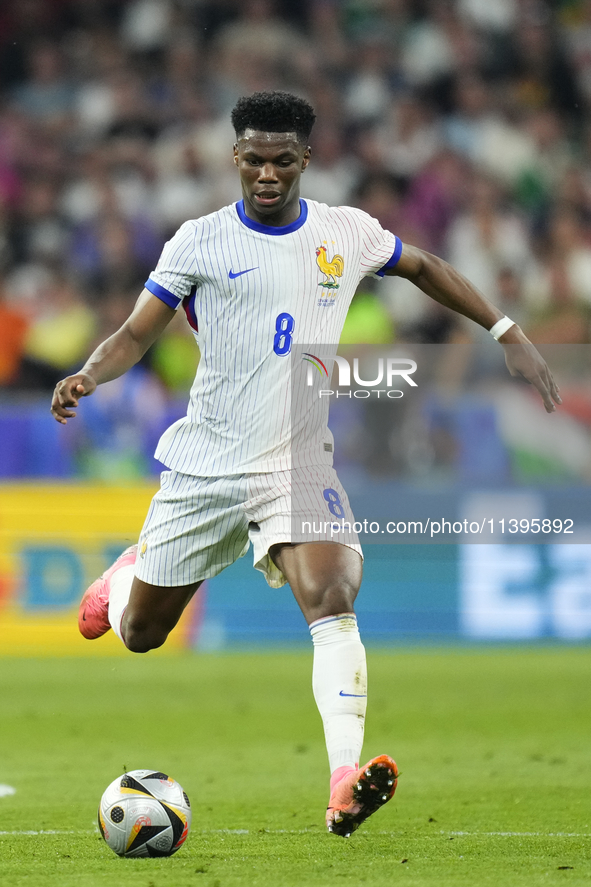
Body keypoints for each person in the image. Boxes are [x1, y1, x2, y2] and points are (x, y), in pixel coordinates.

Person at [51, 91, 560, 839]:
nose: (266, 172)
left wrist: (506, 328)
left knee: (331, 595)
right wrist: (89, 374)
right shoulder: (198, 241)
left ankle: (342, 781)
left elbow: (423, 264)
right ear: (234, 157)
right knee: (139, 632)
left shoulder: (344, 232)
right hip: (207, 466)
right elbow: (134, 332)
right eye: (253, 158)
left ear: (305, 160)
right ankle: (125, 576)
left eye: (281, 160)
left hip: (295, 460)